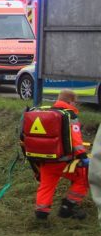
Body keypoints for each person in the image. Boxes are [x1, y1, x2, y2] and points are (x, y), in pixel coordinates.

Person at [33, 90, 90, 220]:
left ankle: (41, 214)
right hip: (63, 161)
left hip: (45, 159)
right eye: (75, 102)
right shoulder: (70, 116)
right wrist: (82, 156)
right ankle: (68, 207)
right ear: (70, 101)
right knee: (83, 177)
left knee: (47, 184)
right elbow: (76, 139)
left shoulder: (46, 113)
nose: (76, 105)